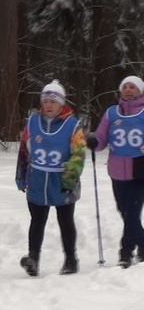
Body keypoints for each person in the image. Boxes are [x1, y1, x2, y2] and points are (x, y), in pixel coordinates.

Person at [16, 79, 86, 277]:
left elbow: (79, 154)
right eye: (45, 101)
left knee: (65, 220)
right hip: (38, 179)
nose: (48, 105)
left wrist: (70, 179)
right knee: (37, 220)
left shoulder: (72, 125)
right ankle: (33, 258)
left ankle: (71, 259)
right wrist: (21, 176)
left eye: (53, 102)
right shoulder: (33, 122)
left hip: (62, 181)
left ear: (61, 104)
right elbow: (24, 151)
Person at [86, 75, 144, 268]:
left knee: (132, 214)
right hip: (117, 171)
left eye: (132, 87)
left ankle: (125, 253)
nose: (128, 90)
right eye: (125, 86)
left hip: (139, 170)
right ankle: (141, 247)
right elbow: (102, 138)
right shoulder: (112, 113)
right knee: (124, 211)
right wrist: (94, 142)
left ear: (140, 91)